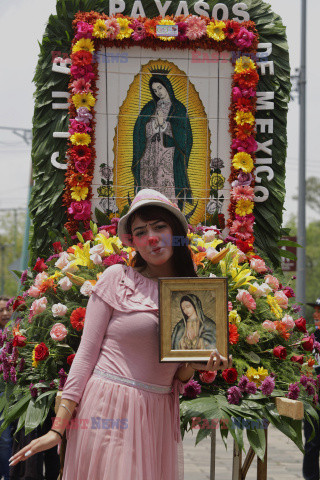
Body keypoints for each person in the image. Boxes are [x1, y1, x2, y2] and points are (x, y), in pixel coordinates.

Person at [8, 188, 232, 480]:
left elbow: (178, 375)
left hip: (157, 415)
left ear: (176, 231)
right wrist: (57, 429)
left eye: (159, 226)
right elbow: (85, 356)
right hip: (109, 407)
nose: (151, 237)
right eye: (140, 232)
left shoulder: (195, 294)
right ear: (134, 243)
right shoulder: (117, 278)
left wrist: (198, 363)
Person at [132, 71, 194, 210]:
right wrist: (154, 125)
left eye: (160, 88)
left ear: (167, 87)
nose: (158, 92)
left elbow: (185, 135)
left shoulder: (178, 108)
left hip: (169, 155)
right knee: (150, 187)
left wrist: (165, 125)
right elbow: (139, 130)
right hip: (149, 154)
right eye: (154, 90)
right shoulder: (149, 107)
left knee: (167, 186)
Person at [303, 297, 320, 480]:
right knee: (311, 443)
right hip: (313, 401)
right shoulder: (310, 339)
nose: (315, 314)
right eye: (315, 310)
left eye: (319, 311)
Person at [0, 297, 13, 480]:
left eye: (7, 309)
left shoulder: (16, 332)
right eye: (1, 310)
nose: (5, 313)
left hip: (7, 394)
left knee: (5, 439)